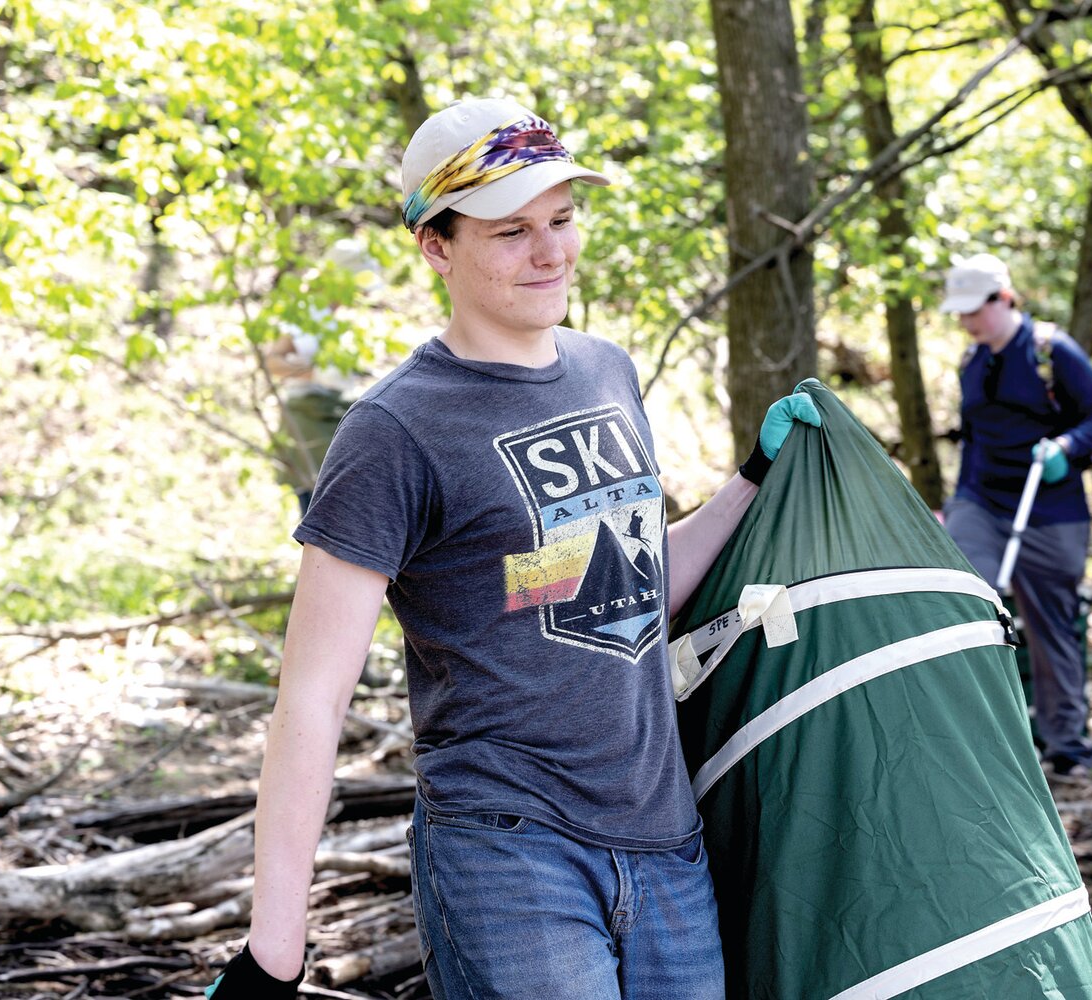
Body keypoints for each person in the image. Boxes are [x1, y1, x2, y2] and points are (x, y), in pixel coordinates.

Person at [207, 97, 820, 998]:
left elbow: (628, 585)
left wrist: (751, 480)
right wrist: (274, 952)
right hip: (508, 854)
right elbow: (310, 698)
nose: (552, 252)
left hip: (666, 846)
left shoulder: (608, 371)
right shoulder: (394, 431)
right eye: (510, 232)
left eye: (563, 220)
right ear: (436, 245)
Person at [939, 253, 1092, 779]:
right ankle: (976, 739)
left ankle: (1067, 747)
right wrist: (958, 505)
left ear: (1004, 299)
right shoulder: (971, 362)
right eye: (961, 313)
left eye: (975, 310)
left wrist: (1066, 446)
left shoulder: (1051, 352)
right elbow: (972, 438)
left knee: (1051, 623)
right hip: (981, 502)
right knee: (969, 606)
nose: (968, 321)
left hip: (1050, 508)